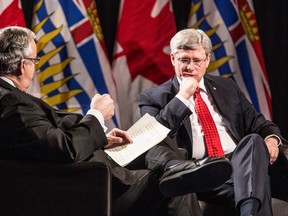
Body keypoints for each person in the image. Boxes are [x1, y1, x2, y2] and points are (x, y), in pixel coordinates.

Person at [0, 26, 208, 216]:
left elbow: (46, 141)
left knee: (154, 143)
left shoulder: (12, 98)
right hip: (89, 185)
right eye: (35, 61)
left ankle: (177, 166)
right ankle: (181, 171)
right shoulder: (12, 104)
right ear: (21, 65)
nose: (34, 68)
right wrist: (96, 115)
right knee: (178, 184)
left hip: (88, 167)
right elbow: (64, 149)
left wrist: (99, 137)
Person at [138, 28, 287, 216]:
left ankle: (249, 210)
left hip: (238, 168)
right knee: (258, 192)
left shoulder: (227, 87)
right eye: (184, 60)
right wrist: (183, 97)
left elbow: (260, 123)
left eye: (196, 61)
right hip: (199, 173)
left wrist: (272, 138)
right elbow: (152, 138)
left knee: (253, 141)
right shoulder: (153, 97)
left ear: (207, 60)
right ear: (173, 59)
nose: (190, 67)